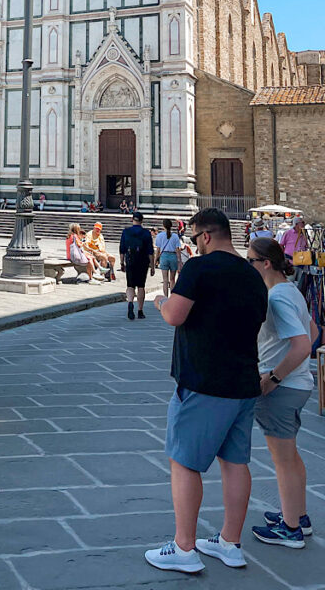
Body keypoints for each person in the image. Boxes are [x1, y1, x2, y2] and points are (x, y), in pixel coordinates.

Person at [145, 208, 267, 574]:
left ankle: (184, 548)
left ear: (206, 236)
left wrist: (159, 300)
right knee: (235, 463)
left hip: (204, 381)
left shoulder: (199, 267)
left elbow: (175, 315)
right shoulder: (253, 274)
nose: (193, 246)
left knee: (184, 462)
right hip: (244, 382)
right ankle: (230, 543)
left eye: (194, 239)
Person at [247, 237, 316, 547]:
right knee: (290, 456)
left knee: (282, 459)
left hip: (283, 388)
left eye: (250, 260)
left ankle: (290, 529)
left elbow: (303, 343)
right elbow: (314, 331)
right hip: (298, 385)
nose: (247, 266)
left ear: (266, 263)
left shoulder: (276, 297)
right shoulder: (290, 291)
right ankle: (298, 515)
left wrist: (272, 377)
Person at [120, 211, 155, 320]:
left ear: (132, 219)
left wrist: (122, 263)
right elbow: (150, 251)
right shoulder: (146, 233)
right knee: (141, 286)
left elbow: (122, 249)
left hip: (130, 260)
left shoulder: (126, 232)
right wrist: (152, 266)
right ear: (142, 221)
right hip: (142, 261)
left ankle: (130, 302)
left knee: (130, 285)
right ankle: (140, 310)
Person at [155, 219, 182, 298]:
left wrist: (156, 259)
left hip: (164, 256)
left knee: (165, 280)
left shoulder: (159, 236)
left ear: (163, 226)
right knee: (172, 279)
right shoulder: (175, 236)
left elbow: (158, 249)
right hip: (173, 256)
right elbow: (178, 249)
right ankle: (172, 297)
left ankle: (165, 297)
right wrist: (179, 261)